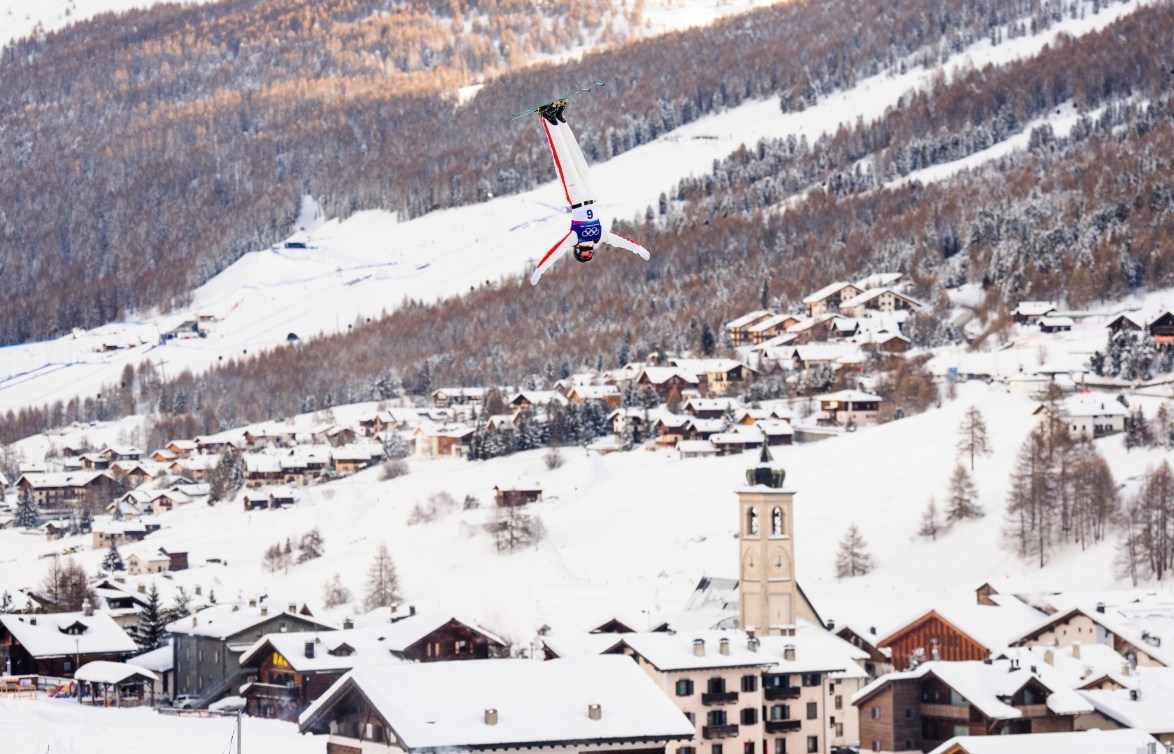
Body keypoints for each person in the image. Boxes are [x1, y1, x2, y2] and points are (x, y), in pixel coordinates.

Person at [529, 103, 650, 285]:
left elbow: (556, 252)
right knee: (578, 157)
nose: (588, 251)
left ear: (577, 250)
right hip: (590, 195)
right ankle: (560, 120)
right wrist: (638, 249)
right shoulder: (599, 235)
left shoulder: (575, 237)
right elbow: (621, 242)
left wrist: (540, 269)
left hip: (576, 197)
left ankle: (548, 118)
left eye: (584, 253)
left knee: (564, 160)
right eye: (589, 254)